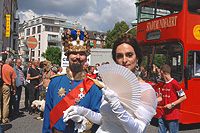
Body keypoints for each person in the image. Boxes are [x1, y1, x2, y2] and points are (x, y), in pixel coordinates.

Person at [63, 33, 157, 132]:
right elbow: (104, 119)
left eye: (129, 55)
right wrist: (82, 111)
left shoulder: (146, 90)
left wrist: (118, 108)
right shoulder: (111, 85)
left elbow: (138, 130)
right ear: (115, 59)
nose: (124, 60)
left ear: (137, 57)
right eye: (119, 56)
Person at [43, 29, 102, 133]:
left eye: (82, 53)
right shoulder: (55, 82)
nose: (77, 57)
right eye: (74, 53)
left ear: (86, 56)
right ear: (67, 55)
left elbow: (99, 119)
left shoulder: (94, 86)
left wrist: (85, 121)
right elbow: (48, 115)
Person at [157, 64, 187, 133]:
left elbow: (184, 97)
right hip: (163, 114)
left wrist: (172, 104)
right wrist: (151, 101)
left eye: (159, 73)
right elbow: (162, 97)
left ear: (162, 72)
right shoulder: (164, 84)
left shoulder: (175, 83)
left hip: (172, 116)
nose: (159, 75)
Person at [0, 58, 17, 123]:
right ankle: (4, 118)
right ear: (10, 63)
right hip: (6, 86)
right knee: (6, 102)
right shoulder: (11, 69)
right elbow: (13, 81)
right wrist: (14, 89)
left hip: (0, 85)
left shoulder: (1, 67)